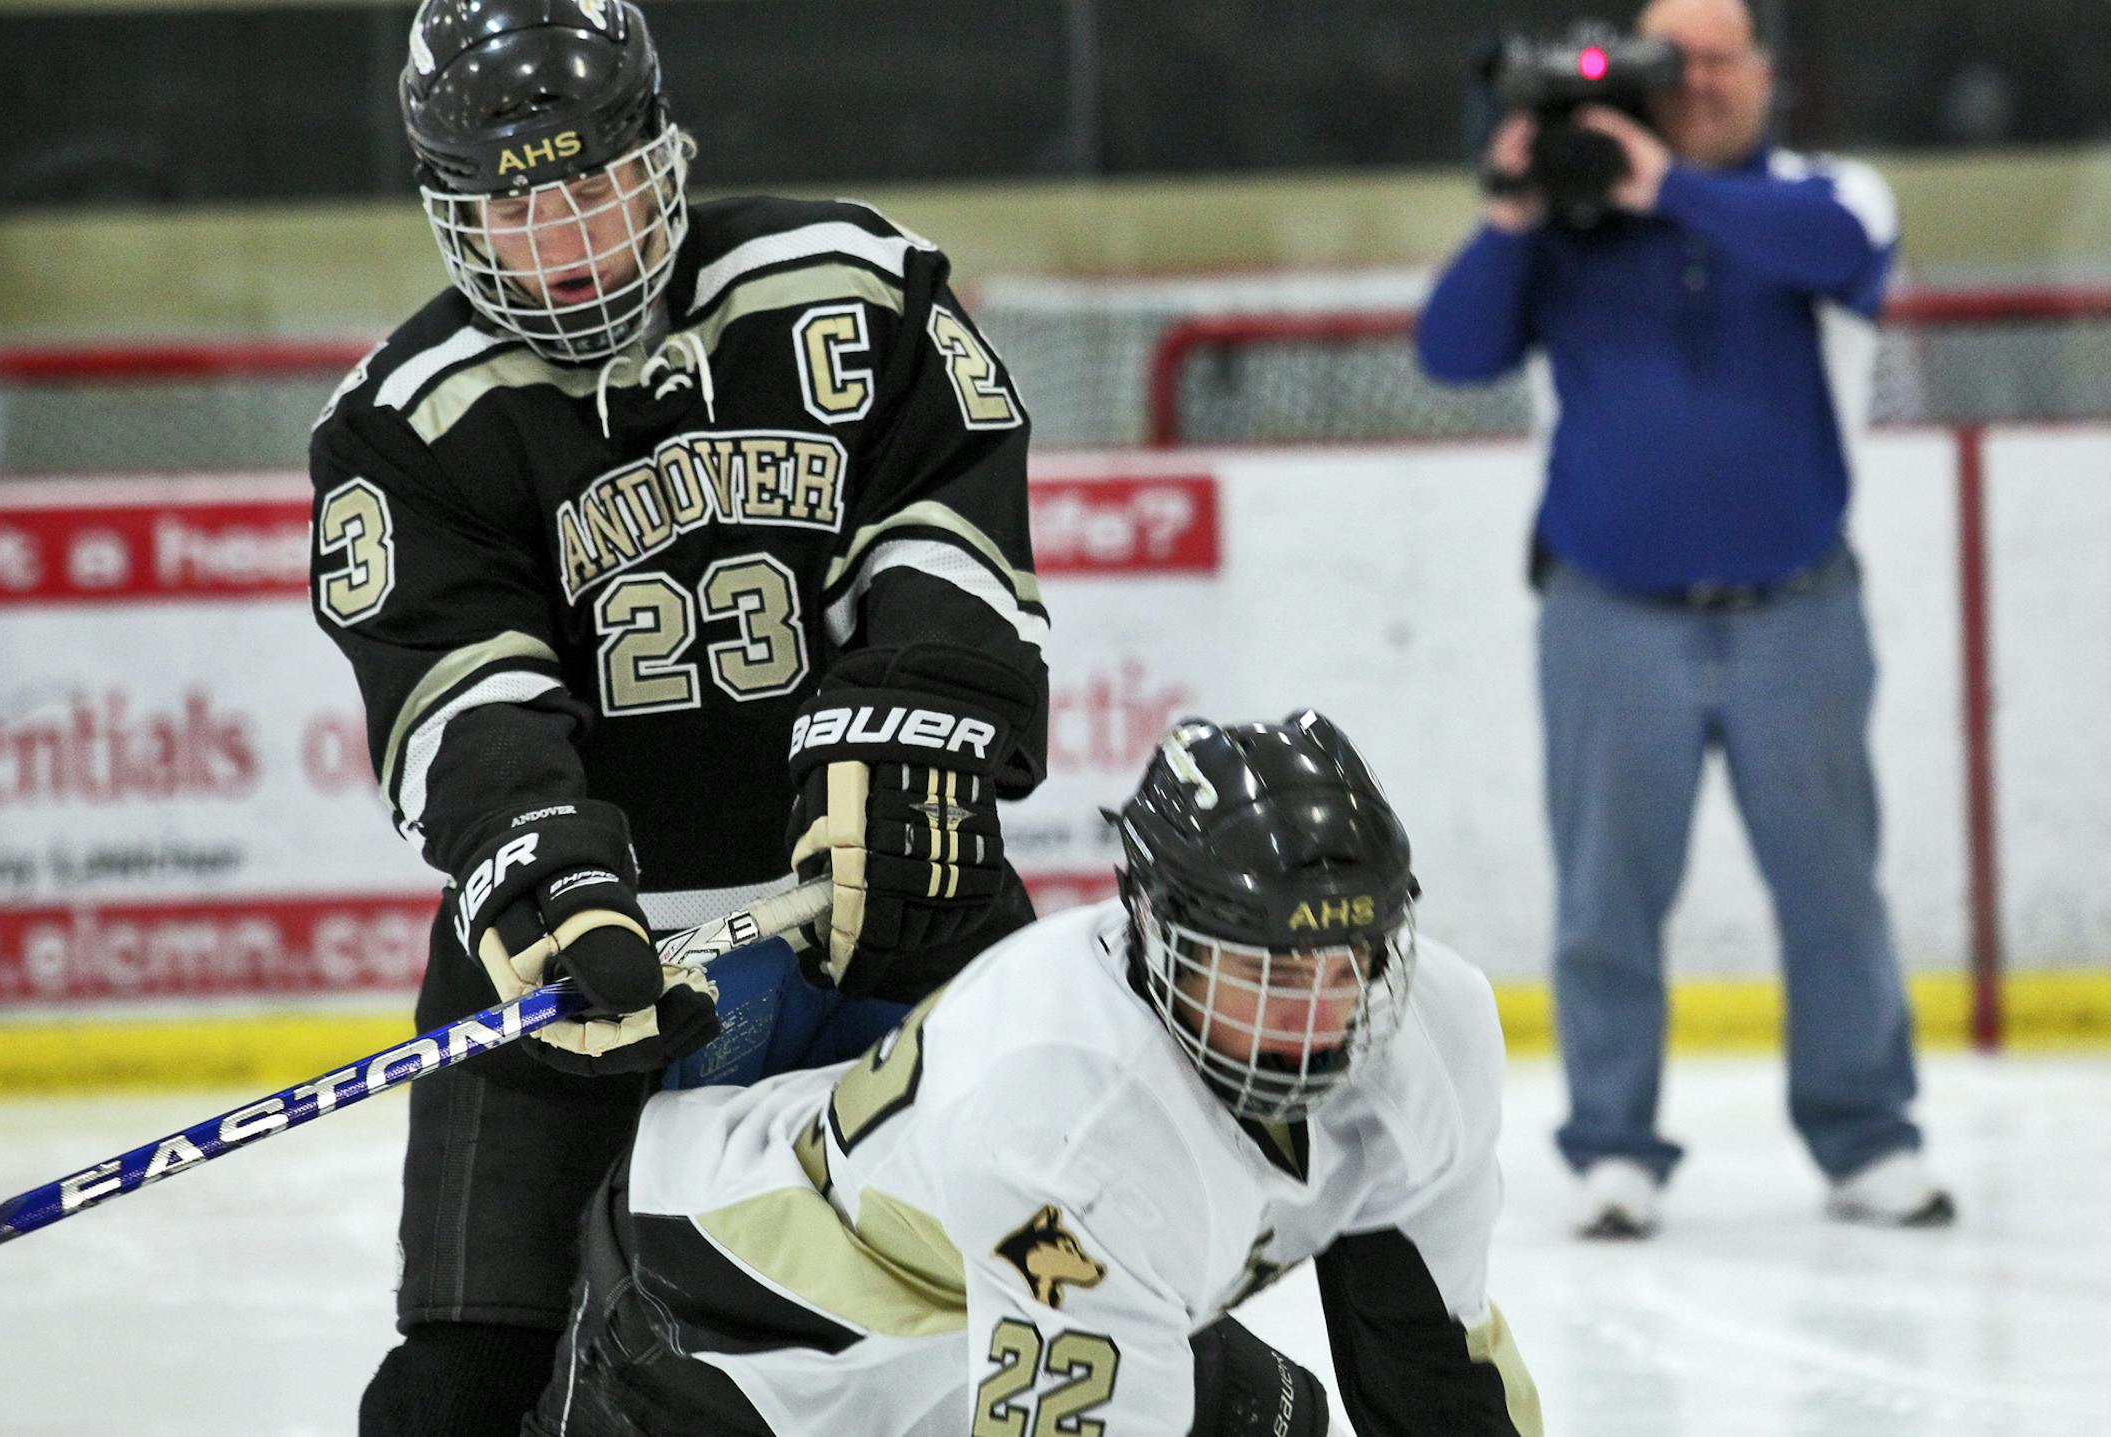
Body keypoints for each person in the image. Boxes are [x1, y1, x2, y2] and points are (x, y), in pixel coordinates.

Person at [307, 1, 1050, 1430]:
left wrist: (911, 739)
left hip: (892, 892)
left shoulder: (851, 285)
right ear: (449, 214)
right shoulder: (405, 420)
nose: (572, 244)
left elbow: (950, 534)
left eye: (592, 187)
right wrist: (545, 875)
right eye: (518, 210)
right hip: (589, 952)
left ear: (659, 152)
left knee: (1062, 1280)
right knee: (465, 1379)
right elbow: (461, 691)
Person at [515, 711, 1543, 1437]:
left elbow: (1429, 1362)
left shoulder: (1434, 1034)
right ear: (1159, 936)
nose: (1315, 1017)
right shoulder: (1067, 1116)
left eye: (1346, 964)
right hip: (721, 1324)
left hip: (974, 1297)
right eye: (1261, 972)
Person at [1417, 0, 1952, 1238]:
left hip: (1798, 612)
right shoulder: (1570, 224)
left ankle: (1867, 1136)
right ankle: (1614, 1147)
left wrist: (1663, 182)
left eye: (1721, 59)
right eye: (1675, 62)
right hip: (1609, 615)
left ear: (1767, 74)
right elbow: (1452, 351)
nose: (1699, 82)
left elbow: (1843, 254)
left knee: (1834, 892)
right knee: (1607, 895)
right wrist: (1513, 211)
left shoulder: (1827, 192)